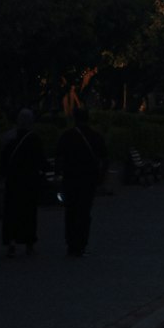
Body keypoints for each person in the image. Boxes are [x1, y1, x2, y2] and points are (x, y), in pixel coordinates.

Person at [56, 109, 108, 258]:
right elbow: (105, 158)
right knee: (84, 212)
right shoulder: (95, 136)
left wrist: (59, 175)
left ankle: (71, 244)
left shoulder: (67, 136)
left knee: (71, 212)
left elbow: (59, 158)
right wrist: (101, 178)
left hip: (70, 178)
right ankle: (82, 244)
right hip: (88, 179)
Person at [0, 109, 45, 257]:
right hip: (29, 181)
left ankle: (11, 242)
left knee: (11, 212)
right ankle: (29, 244)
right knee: (29, 213)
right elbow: (40, 160)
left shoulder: (9, 137)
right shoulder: (34, 139)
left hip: (13, 180)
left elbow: (3, 160)